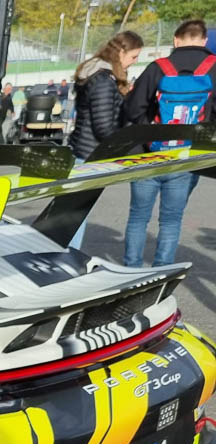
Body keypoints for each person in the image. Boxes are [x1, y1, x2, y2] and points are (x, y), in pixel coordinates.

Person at [122, 19, 216, 267]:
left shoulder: (158, 67)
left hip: (148, 154)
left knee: (138, 217)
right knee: (171, 220)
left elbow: (133, 109)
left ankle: (131, 270)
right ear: (204, 40)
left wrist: (152, 132)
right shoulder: (213, 68)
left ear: (175, 40)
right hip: (187, 156)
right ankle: (162, 272)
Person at [66, 30, 144, 250]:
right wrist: (129, 145)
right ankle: (67, 258)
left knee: (74, 213)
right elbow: (103, 126)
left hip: (83, 150)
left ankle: (65, 255)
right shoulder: (103, 80)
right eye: (133, 56)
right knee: (77, 215)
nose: (134, 62)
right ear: (121, 52)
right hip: (90, 154)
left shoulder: (95, 74)